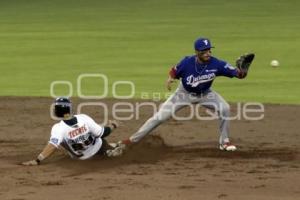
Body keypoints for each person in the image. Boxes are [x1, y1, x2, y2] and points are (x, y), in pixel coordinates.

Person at [119, 37, 254, 151]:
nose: (208, 53)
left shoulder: (217, 63)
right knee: (159, 117)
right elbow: (174, 70)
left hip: (206, 94)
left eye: (209, 50)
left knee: (224, 108)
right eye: (204, 51)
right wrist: (170, 78)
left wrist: (243, 71)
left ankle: (224, 142)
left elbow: (238, 74)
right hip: (183, 94)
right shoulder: (187, 62)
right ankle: (131, 141)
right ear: (197, 52)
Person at [22, 97, 123, 166]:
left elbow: (52, 145)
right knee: (101, 140)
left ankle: (113, 149)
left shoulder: (58, 128)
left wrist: (38, 160)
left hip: (84, 159)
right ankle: (113, 149)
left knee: (107, 146)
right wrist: (113, 125)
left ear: (57, 111)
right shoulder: (83, 118)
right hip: (100, 147)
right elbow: (102, 133)